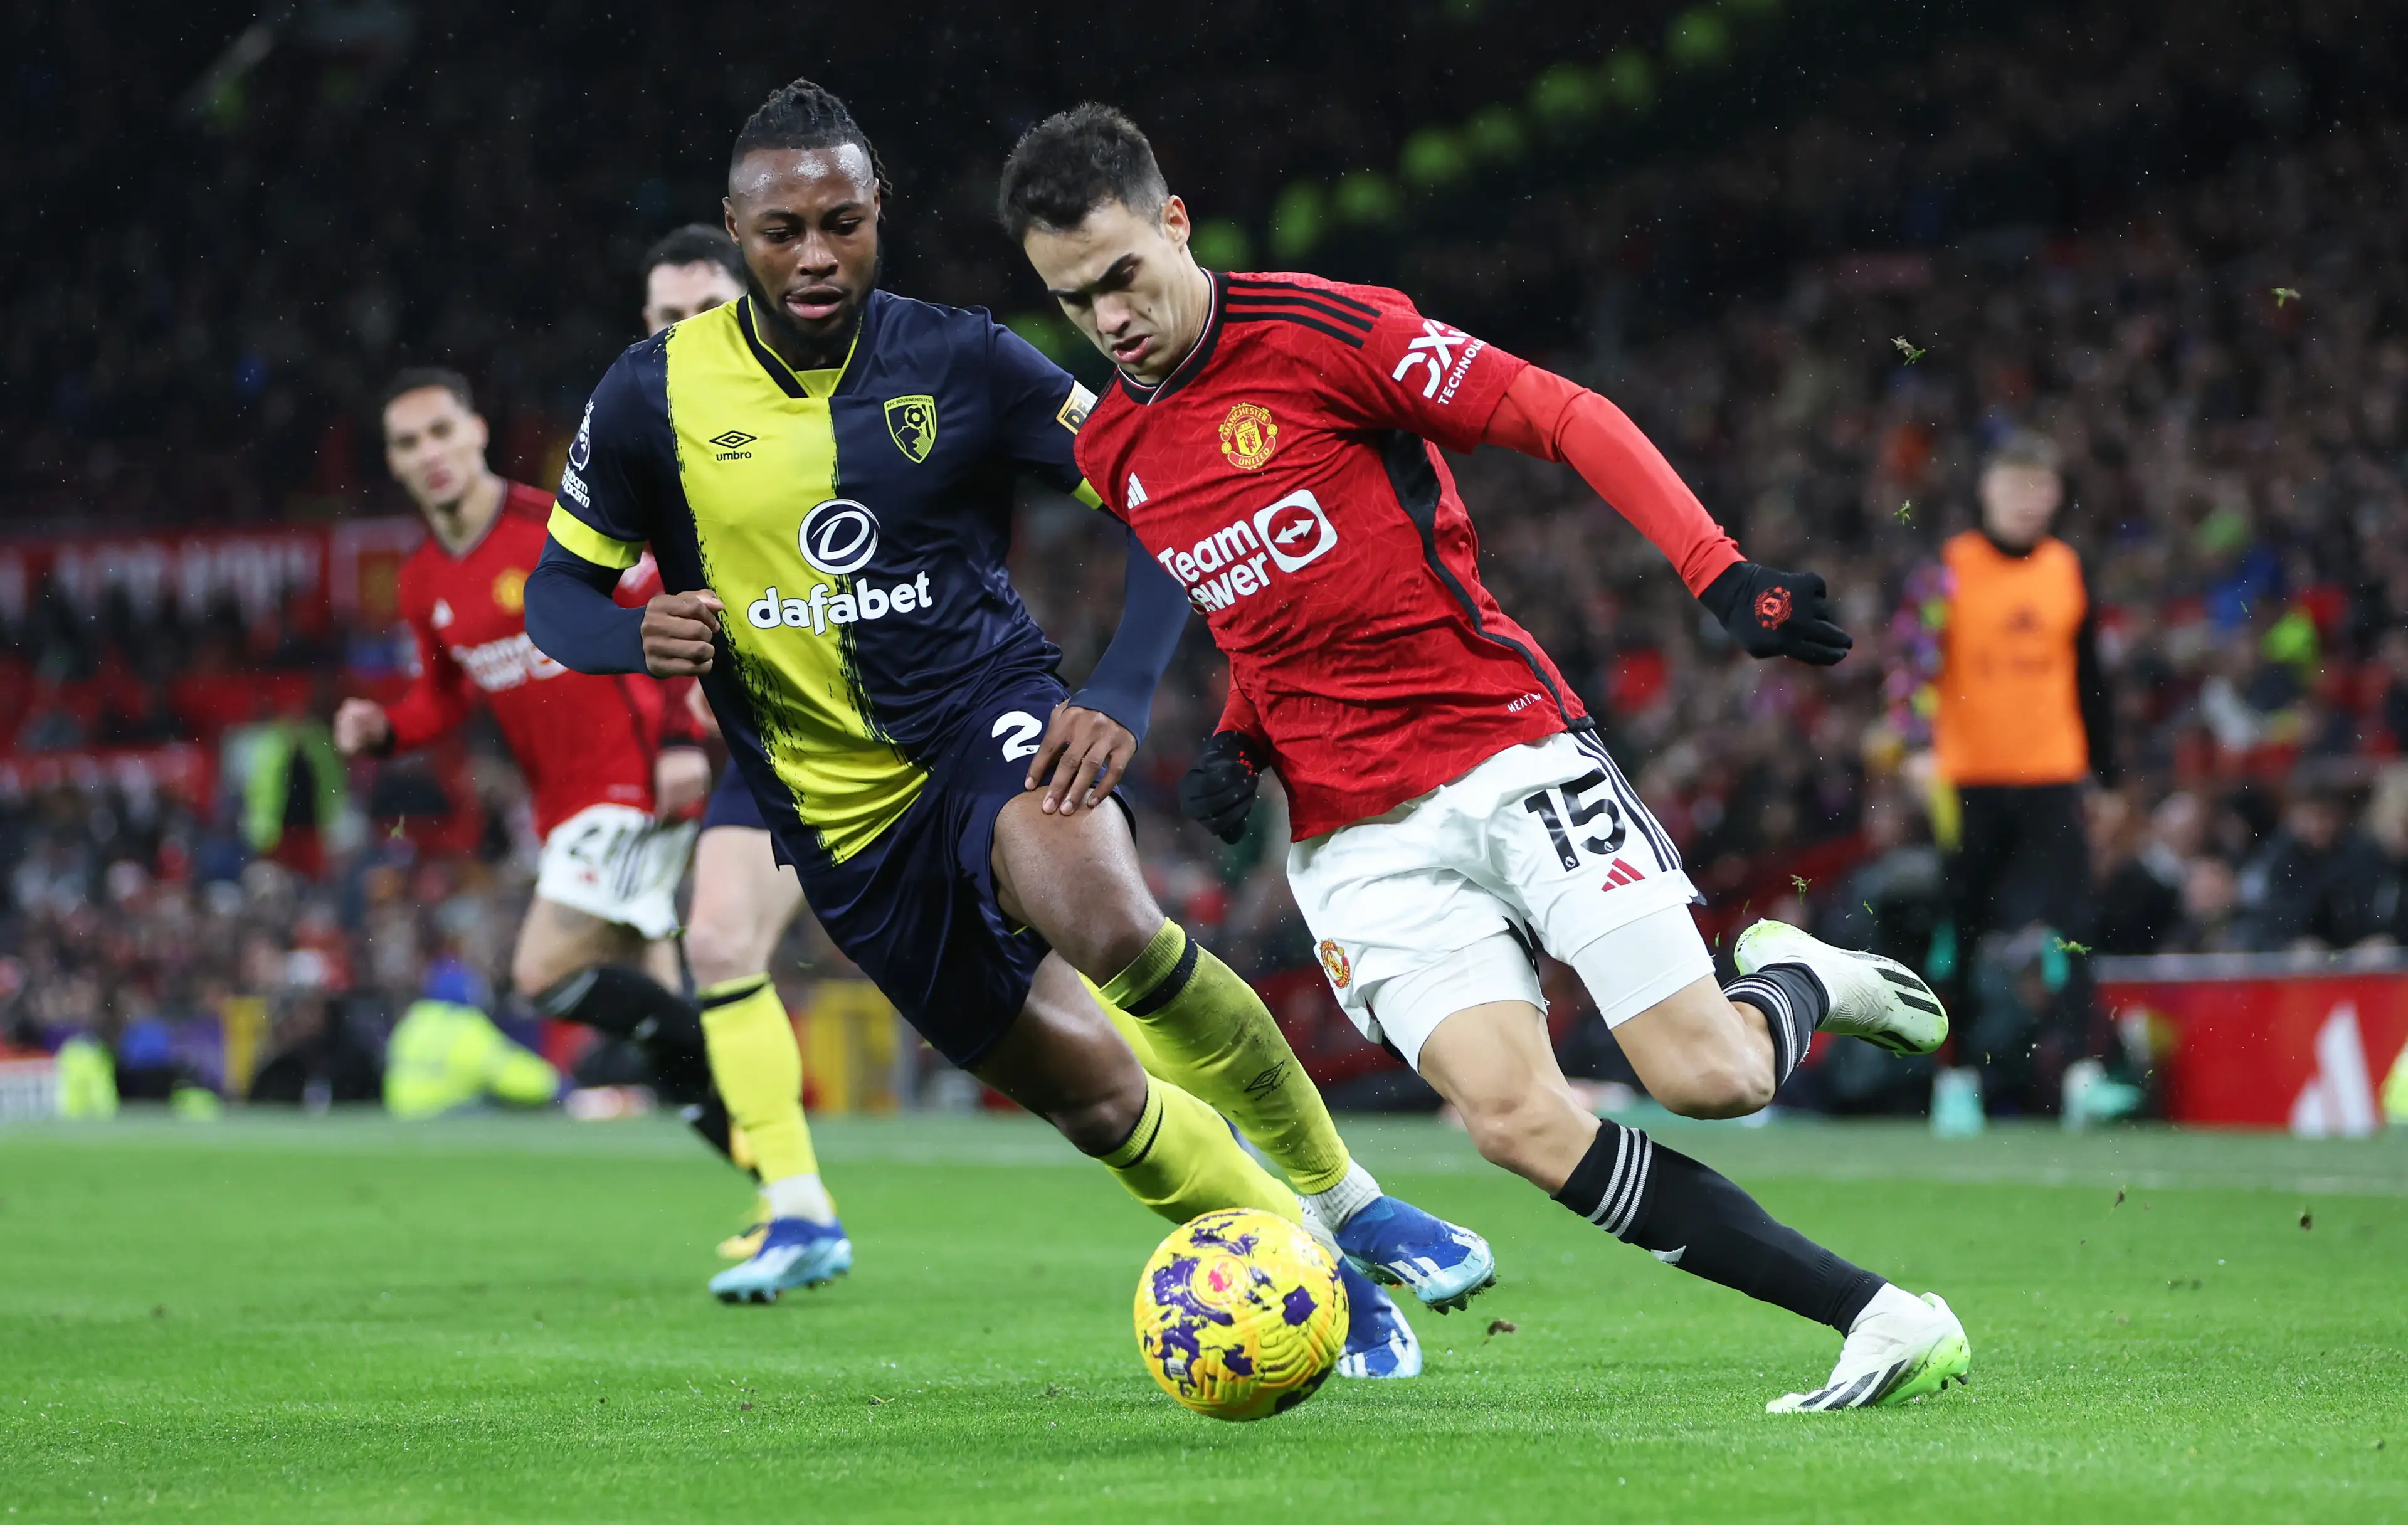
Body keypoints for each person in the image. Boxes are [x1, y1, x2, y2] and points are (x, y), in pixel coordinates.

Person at [1000, 104, 1969, 1412]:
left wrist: (1721, 572)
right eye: (1074, 299)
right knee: (1514, 1121)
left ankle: (1797, 979)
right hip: (1352, 838)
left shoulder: (1326, 330)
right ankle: (1881, 1317)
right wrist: (1239, 737)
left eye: (1122, 275)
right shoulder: (1114, 448)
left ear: (1175, 223)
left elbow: (1562, 411)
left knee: (1712, 1078)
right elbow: (1264, 605)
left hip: (1503, 750)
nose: (1108, 318)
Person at [526, 79, 1489, 1380]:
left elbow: (1159, 497)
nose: (817, 254)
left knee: (1108, 921)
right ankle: (1302, 1269)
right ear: (734, 233)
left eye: (842, 221)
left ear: (880, 214)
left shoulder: (966, 358)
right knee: (1097, 1098)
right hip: (838, 827)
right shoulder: (650, 399)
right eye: (782, 231)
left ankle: (1345, 1196)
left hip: (991, 720)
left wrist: (1122, 691)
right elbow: (556, 593)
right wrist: (627, 634)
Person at [334, 369, 741, 1195]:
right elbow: (444, 696)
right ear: (395, 462)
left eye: (442, 431)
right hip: (562, 809)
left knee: (542, 972)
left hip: (631, 781)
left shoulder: (556, 525)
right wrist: (383, 729)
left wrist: (675, 739)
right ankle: (777, 1184)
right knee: (659, 1015)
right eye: (409, 443)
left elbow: (661, 609)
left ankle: (735, 1058)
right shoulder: (423, 580)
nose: (431, 454)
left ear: (477, 431)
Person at [634, 223, 847, 1299]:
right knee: (715, 939)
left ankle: (1274, 1179)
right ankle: (798, 1206)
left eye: (704, 309)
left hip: (899, 732)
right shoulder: (641, 442)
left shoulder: (827, 402)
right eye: (664, 319)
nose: (685, 334)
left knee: (1067, 960)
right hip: (764, 746)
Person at [1889, 431, 2123, 1119]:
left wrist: (2107, 776)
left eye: (2040, 487)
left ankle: (2081, 1072)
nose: (2028, 501)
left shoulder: (2068, 568)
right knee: (1961, 926)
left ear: (2056, 495)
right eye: (2015, 485)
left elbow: (2091, 678)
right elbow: (1910, 662)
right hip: (1971, 778)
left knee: (2074, 920)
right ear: (1987, 489)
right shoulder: (1950, 568)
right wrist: (1913, 744)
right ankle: (1955, 1077)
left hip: (2053, 772)